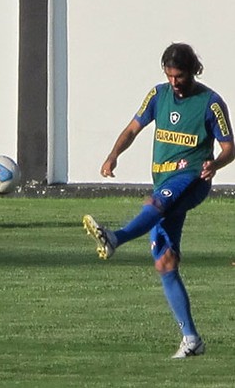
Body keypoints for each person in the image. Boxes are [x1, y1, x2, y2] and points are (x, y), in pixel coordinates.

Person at [83, 43, 235, 359]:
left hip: (192, 179)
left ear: (194, 70)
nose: (174, 82)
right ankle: (192, 340)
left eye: (179, 76)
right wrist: (113, 155)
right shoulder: (157, 95)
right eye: (169, 75)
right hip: (163, 178)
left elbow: (229, 146)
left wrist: (216, 164)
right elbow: (132, 129)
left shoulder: (211, 104)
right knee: (165, 263)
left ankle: (115, 238)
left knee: (155, 203)